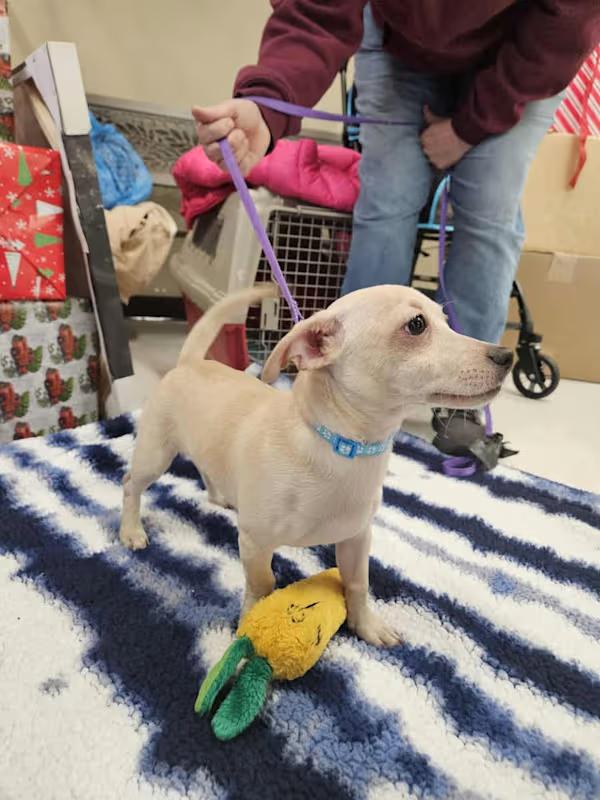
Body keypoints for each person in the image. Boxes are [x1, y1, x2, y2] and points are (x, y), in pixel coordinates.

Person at [193, 1, 600, 459]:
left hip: (525, 53)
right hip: (400, 47)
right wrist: (267, 102)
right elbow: (318, 12)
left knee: (489, 213)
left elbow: (564, 25)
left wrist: (468, 128)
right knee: (386, 206)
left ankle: (462, 402)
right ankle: (341, 384)